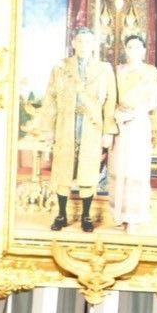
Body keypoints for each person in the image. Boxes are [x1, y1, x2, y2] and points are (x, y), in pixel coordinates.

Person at [42, 27, 117, 233]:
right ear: (74, 43)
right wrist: (49, 128)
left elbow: (110, 101)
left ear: (94, 45)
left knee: (88, 168)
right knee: (63, 168)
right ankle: (61, 214)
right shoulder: (60, 67)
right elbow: (50, 97)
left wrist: (108, 131)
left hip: (92, 125)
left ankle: (86, 215)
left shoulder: (104, 69)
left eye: (88, 42)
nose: (84, 46)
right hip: (66, 123)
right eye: (80, 41)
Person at [108, 33, 157, 232]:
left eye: (137, 47)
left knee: (135, 168)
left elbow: (155, 100)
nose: (133, 50)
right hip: (120, 123)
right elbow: (111, 97)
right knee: (119, 166)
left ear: (143, 50)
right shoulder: (118, 71)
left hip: (139, 122)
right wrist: (117, 114)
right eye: (130, 47)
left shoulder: (151, 72)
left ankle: (133, 219)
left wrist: (136, 113)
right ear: (126, 49)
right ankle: (119, 215)